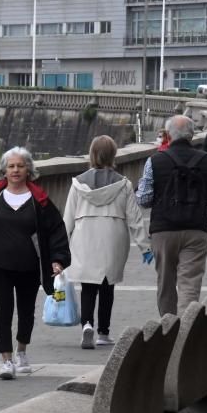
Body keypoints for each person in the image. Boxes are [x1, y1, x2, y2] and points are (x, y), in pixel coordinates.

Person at [0, 147, 70, 380]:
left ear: (28, 169)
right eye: (11, 166)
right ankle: (6, 360)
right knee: (3, 311)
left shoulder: (40, 201)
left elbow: (56, 231)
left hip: (30, 266)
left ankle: (21, 352)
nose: (16, 170)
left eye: (20, 166)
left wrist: (58, 260)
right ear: (4, 171)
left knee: (26, 311)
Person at [63, 136, 152, 350]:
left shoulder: (77, 184)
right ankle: (103, 332)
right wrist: (145, 247)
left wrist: (59, 249)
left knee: (88, 285)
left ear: (92, 154)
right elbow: (135, 218)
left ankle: (86, 325)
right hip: (113, 236)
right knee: (107, 285)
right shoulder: (124, 184)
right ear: (113, 155)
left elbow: (67, 218)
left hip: (85, 236)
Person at [136, 115, 207, 316]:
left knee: (165, 282)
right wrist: (201, 198)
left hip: (163, 230)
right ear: (192, 134)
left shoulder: (154, 161)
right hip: (196, 229)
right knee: (190, 283)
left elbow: (143, 199)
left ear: (168, 135)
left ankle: (168, 327)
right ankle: (186, 331)